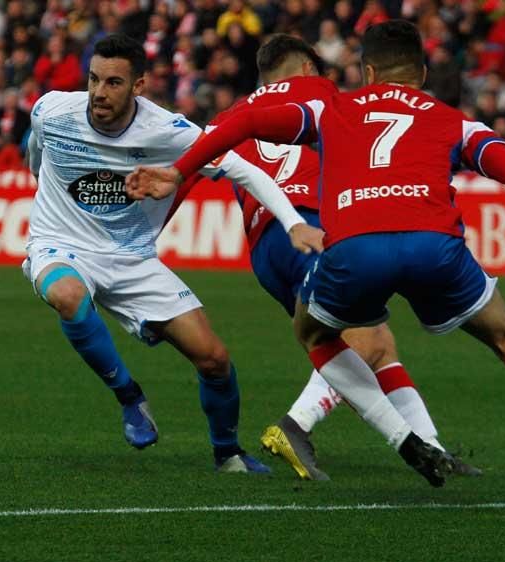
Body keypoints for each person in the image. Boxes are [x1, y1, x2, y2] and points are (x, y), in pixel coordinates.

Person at [127, 21, 505, 499]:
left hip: (353, 247)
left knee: (315, 334)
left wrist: (179, 170)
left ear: (367, 72)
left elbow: (244, 124)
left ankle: (404, 439)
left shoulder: (328, 109)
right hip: (434, 244)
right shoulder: (451, 120)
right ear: (422, 73)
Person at [170, 34, 480, 481]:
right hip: (313, 228)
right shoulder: (325, 95)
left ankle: (432, 447)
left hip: (267, 251)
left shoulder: (230, 117)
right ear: (311, 69)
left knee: (372, 341)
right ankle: (295, 425)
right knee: (365, 339)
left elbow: (188, 171)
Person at [23, 34, 323, 473]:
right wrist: (39, 184)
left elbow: (247, 172)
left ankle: (228, 453)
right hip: (59, 243)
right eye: (93, 80)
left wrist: (294, 222)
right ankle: (130, 397)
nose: (98, 94)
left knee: (214, 358)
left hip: (133, 259)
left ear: (138, 86)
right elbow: (35, 150)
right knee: (69, 297)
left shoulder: (168, 131)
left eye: (113, 83)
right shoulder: (53, 110)